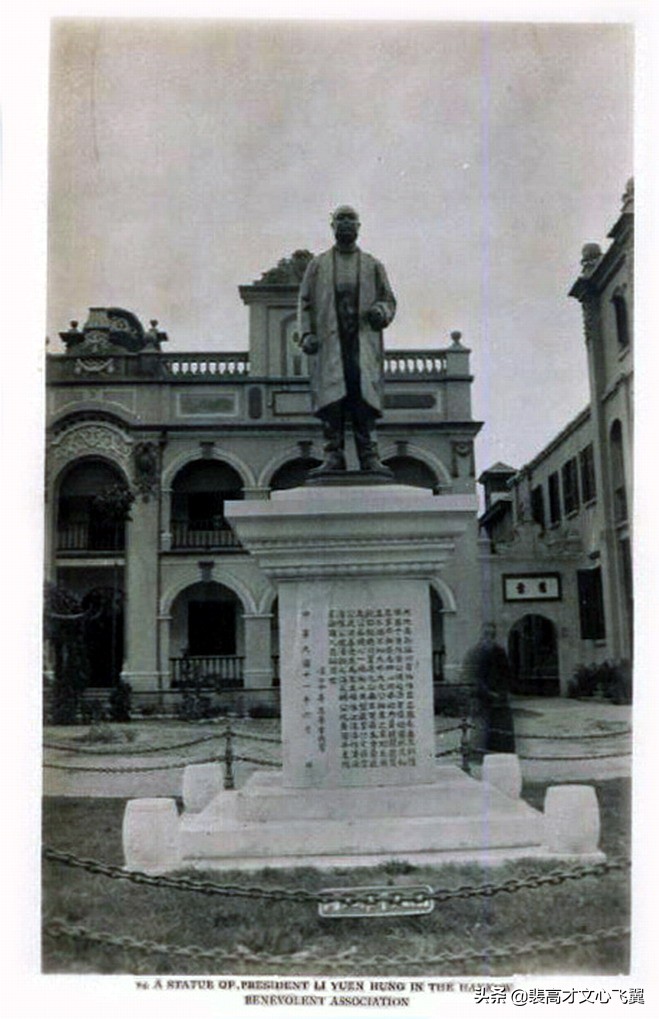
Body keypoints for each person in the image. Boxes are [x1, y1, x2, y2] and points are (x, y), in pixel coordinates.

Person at [297, 205, 396, 474]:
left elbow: (388, 300)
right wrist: (306, 333)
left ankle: (369, 456)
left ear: (359, 226)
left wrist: (381, 311)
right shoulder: (318, 265)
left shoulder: (372, 265)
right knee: (333, 401)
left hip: (361, 345)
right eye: (340, 218)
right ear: (332, 226)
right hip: (331, 345)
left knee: (363, 401)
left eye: (351, 218)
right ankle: (333, 455)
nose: (346, 223)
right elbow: (305, 302)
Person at [463, 622, 516, 756]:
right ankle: (478, 755)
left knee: (502, 736)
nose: (489, 637)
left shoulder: (500, 652)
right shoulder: (474, 652)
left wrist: (502, 692)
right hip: (481, 700)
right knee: (481, 735)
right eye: (486, 634)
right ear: (481, 634)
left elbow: (507, 674)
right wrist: (488, 693)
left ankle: (502, 757)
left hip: (499, 701)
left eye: (492, 634)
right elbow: (472, 677)